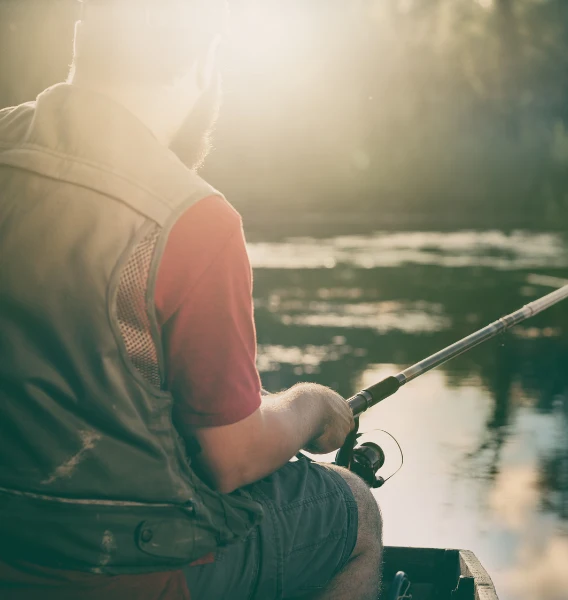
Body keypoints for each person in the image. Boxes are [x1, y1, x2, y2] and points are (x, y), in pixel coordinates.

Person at [0, 1, 383, 599]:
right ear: (204, 65)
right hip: (130, 572)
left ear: (82, 42)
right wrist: (309, 404)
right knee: (355, 511)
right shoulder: (194, 217)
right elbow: (228, 459)